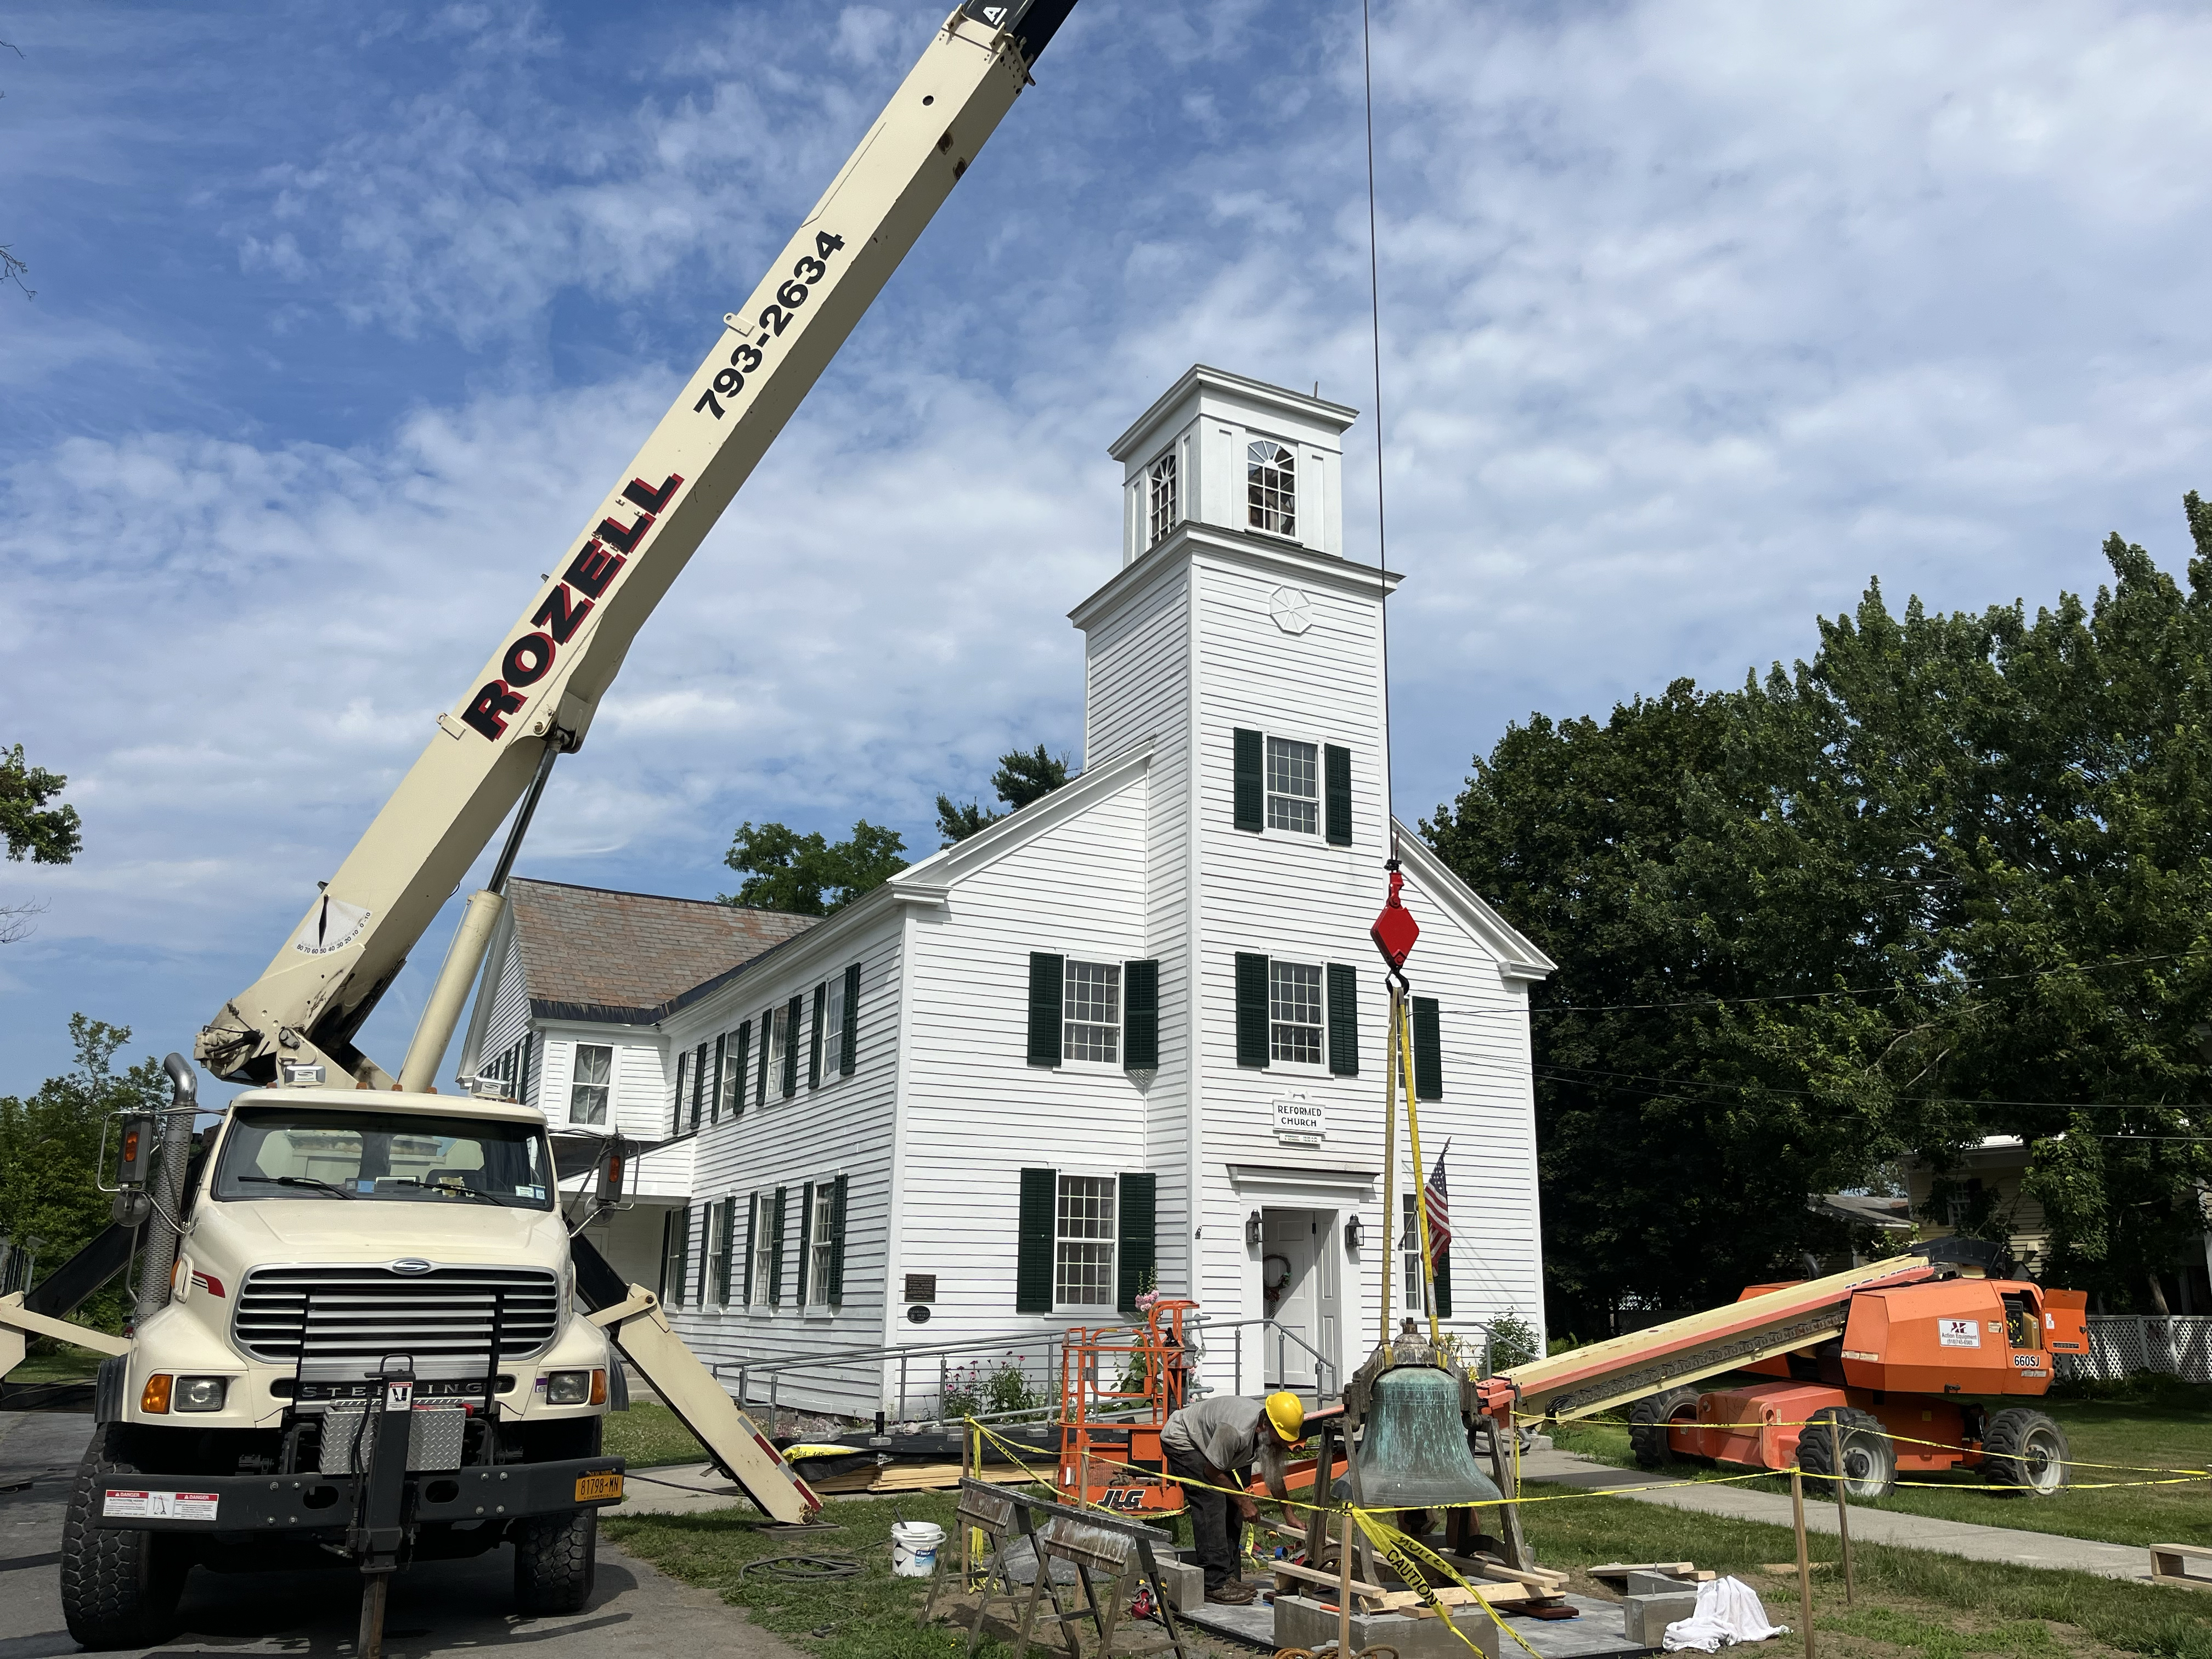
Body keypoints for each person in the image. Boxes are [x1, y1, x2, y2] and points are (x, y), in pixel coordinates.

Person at [1160, 1390, 1305, 1604]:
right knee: (1212, 1499)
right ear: (1266, 1425)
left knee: (1233, 1502)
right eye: (1282, 1437)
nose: (1285, 1444)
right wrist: (1244, 1501)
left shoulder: (1266, 1433)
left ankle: (1226, 1575)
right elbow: (1212, 1472)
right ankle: (1213, 1582)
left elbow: (1274, 1477)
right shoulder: (1236, 1431)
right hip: (1182, 1440)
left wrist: (1289, 1515)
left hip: (1208, 1446)